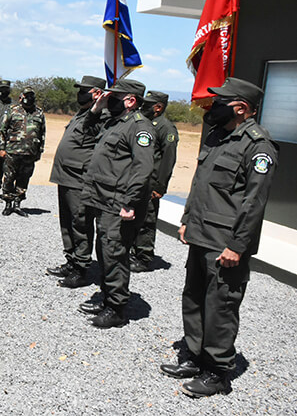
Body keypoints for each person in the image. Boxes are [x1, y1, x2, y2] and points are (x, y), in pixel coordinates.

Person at [160, 78, 277, 398]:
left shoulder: (258, 146)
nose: (213, 107)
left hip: (225, 242)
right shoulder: (217, 136)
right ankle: (196, 358)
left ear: (240, 108)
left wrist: (237, 246)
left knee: (221, 307)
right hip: (201, 233)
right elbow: (200, 185)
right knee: (194, 298)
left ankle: (218, 372)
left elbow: (254, 204)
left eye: (221, 102)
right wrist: (186, 221)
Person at [79, 79, 154, 328]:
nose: (108, 100)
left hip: (119, 202)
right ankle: (107, 296)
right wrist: (97, 108)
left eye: (114, 97)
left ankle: (117, 308)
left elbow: (143, 169)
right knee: (104, 251)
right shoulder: (114, 123)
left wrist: (130, 202)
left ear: (130, 100)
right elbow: (86, 131)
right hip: (104, 199)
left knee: (114, 253)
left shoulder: (140, 128)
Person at [47, 76, 107, 288]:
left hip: (79, 178)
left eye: (84, 90)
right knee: (67, 221)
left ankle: (81, 268)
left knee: (80, 223)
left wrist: (97, 109)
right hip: (66, 176)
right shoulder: (82, 113)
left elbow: (94, 134)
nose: (79, 94)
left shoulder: (100, 115)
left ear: (97, 93)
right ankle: (71, 261)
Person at [132, 90, 179, 272]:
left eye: (148, 104)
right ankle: (134, 251)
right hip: (139, 180)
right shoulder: (145, 123)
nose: (143, 107)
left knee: (147, 220)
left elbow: (168, 159)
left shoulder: (165, 128)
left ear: (158, 107)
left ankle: (143, 257)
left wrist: (160, 186)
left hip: (151, 182)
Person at [0, 87, 46, 216]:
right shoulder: (13, 111)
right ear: (21, 97)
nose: (28, 98)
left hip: (30, 153)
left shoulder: (39, 113)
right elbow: (3, 130)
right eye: (26, 96)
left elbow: (42, 134)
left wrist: (39, 151)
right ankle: (8, 203)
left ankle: (17, 204)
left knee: (24, 179)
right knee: (8, 178)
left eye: (31, 96)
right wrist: (2, 148)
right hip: (12, 151)